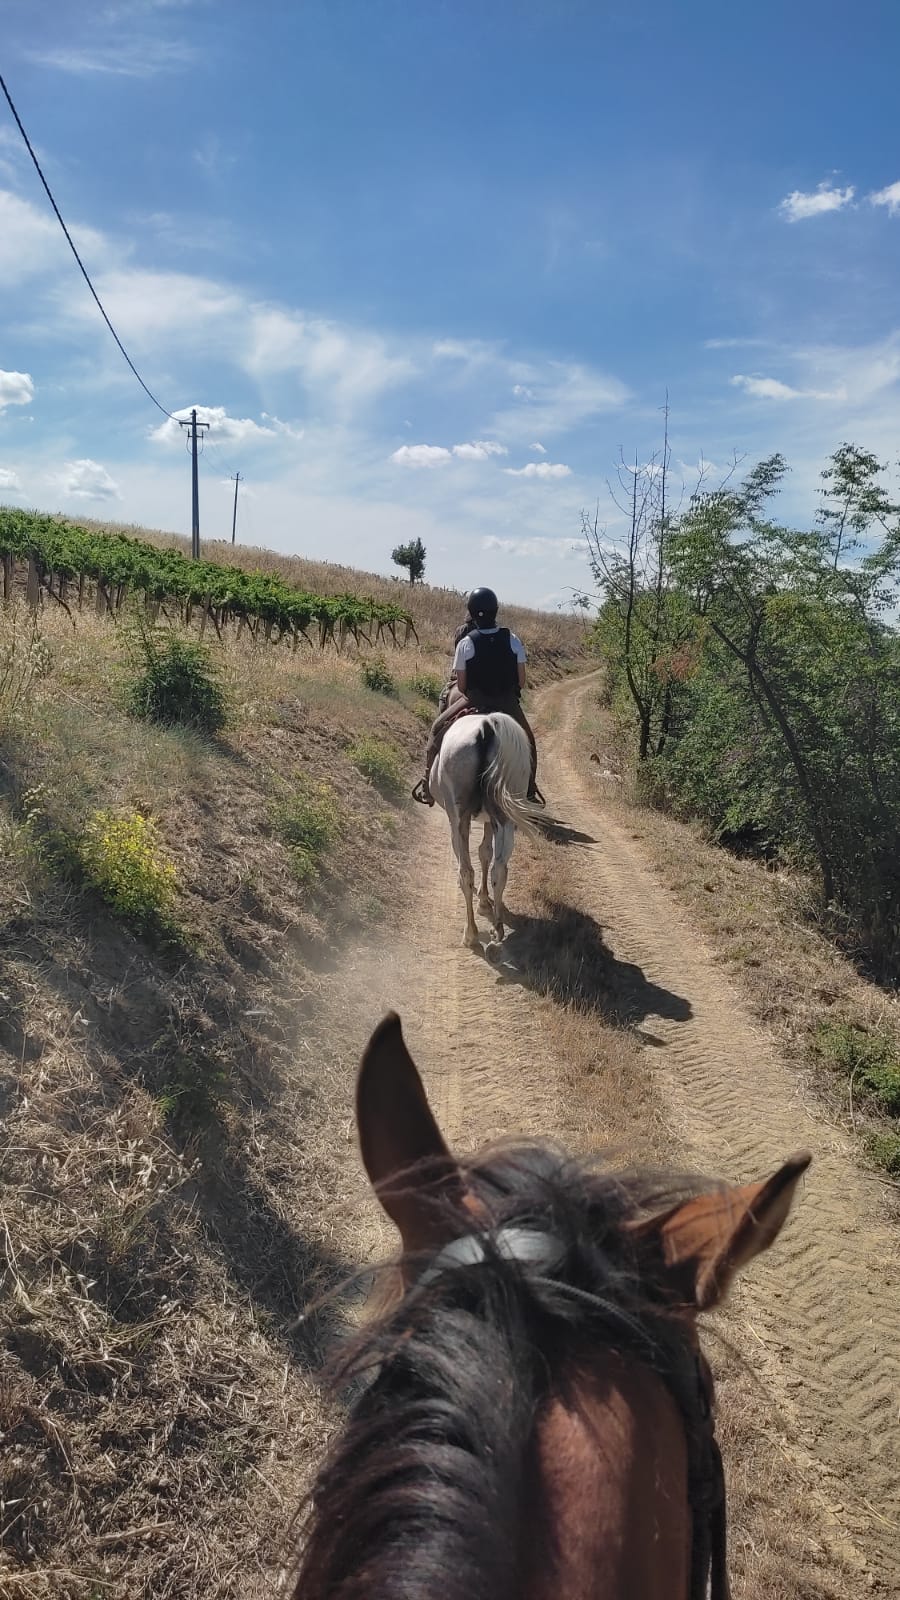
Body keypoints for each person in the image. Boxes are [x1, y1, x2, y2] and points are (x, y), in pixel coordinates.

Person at [412, 587, 544, 806]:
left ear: (471, 613)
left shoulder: (466, 642)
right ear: (496, 611)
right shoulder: (513, 640)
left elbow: (461, 686)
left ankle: (427, 784)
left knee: (436, 729)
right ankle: (529, 790)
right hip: (508, 703)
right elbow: (521, 682)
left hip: (474, 701)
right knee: (529, 742)